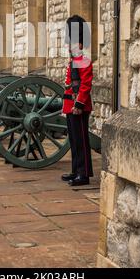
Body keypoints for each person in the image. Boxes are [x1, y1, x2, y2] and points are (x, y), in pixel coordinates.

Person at [62, 15, 94, 186]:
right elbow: (69, 85)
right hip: (70, 106)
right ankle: (76, 170)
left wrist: (79, 105)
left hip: (78, 107)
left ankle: (84, 173)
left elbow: (85, 85)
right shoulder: (74, 61)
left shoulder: (84, 61)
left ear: (80, 44)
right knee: (74, 141)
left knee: (81, 140)